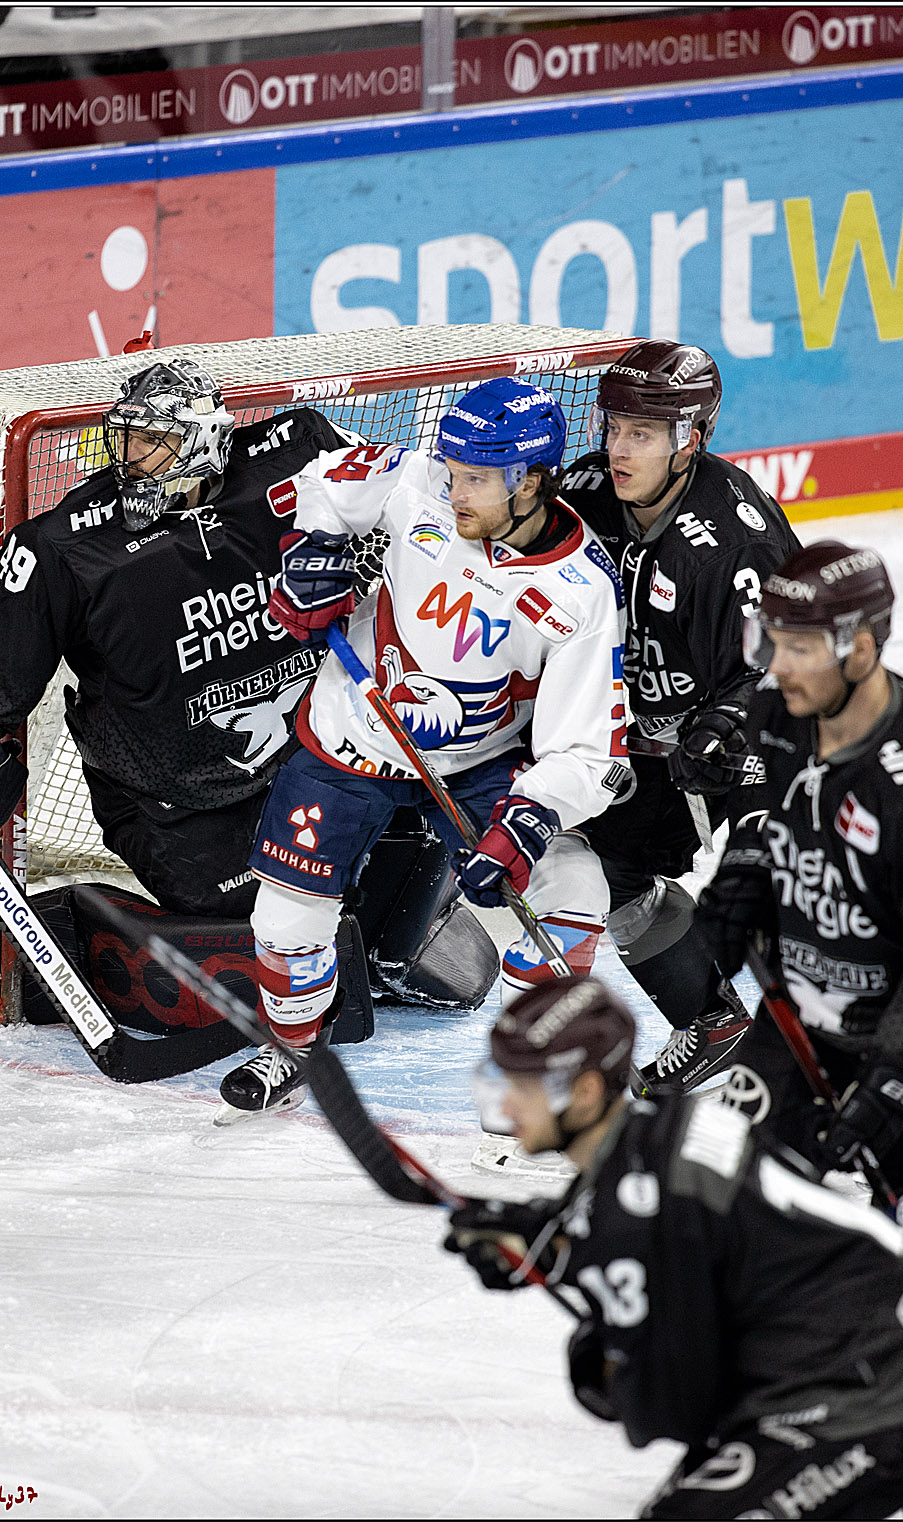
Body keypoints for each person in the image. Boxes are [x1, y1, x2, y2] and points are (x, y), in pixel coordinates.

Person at [0, 358, 500, 1076]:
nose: (131, 460)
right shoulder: (65, 549)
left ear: (203, 441)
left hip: (319, 761)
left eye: (153, 443)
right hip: (177, 810)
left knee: (412, 916)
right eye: (124, 441)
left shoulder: (300, 449)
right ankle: (117, 930)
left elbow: (421, 497)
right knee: (303, 944)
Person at [219, 377, 630, 1125]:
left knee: (572, 892)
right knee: (285, 916)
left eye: (476, 477)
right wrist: (310, 556)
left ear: (531, 480)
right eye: (452, 467)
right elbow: (321, 483)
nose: (455, 486)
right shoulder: (419, 483)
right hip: (356, 732)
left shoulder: (581, 592)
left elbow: (591, 750)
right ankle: (291, 1049)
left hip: (479, 761)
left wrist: (529, 821)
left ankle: (533, 1079)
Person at [443, 975, 903, 1522]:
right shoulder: (664, 1124)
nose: (507, 1104)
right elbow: (650, 1220)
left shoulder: (637, 1206)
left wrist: (604, 1362)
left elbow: (676, 1408)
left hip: (872, 1398)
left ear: (585, 1093)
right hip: (880, 1355)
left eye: (525, 1089)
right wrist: (545, 1239)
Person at [560, 340, 802, 1093]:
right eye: (614, 427)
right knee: (606, 867)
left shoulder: (736, 541)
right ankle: (713, 1020)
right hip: (648, 741)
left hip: (759, 739)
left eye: (642, 434)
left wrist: (726, 721)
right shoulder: (588, 488)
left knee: (807, 891)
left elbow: (788, 663)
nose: (617, 448)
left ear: (690, 436)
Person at [693, 539, 903, 1245]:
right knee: (704, 1202)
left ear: (858, 649)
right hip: (798, 1033)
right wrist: (745, 878)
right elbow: (771, 816)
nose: (775, 667)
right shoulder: (778, 711)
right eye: (772, 642)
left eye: (800, 648)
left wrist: (897, 1082)